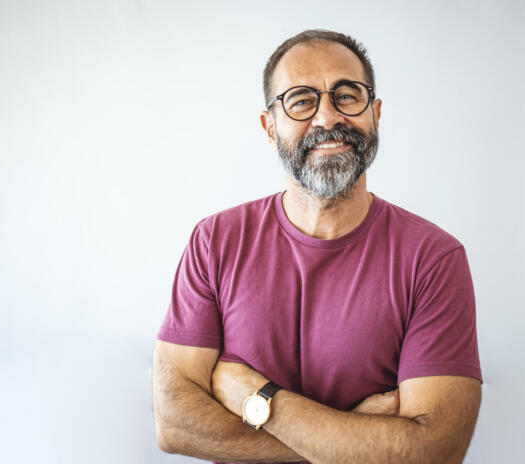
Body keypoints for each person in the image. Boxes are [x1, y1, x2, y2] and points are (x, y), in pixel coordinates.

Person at [152, 29, 483, 464]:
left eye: (347, 96)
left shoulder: (433, 259)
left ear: (375, 113)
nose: (328, 118)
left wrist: (257, 398)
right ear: (270, 127)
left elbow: (433, 451)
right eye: (302, 100)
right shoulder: (215, 242)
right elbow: (175, 424)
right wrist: (355, 437)